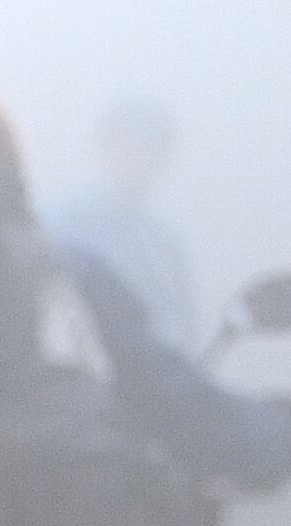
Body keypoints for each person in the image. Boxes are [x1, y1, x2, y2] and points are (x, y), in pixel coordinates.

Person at [48, 99, 197, 347]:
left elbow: (183, 325)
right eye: (128, 145)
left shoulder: (166, 240)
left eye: (151, 148)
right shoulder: (60, 220)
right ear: (105, 147)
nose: (140, 158)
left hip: (151, 377)